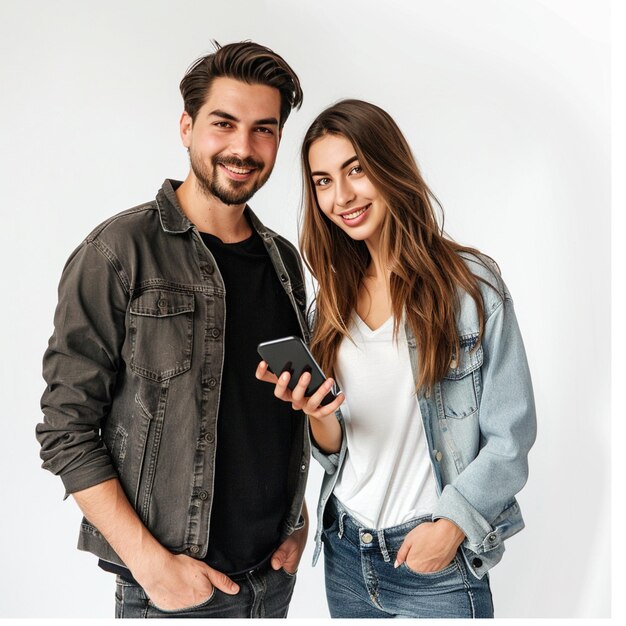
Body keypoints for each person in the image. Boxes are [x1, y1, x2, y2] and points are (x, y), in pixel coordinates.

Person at [36, 41, 311, 619]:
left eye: (263, 129)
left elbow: (281, 410)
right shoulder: (116, 253)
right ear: (186, 127)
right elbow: (66, 430)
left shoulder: (285, 262)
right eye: (223, 123)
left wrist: (298, 516)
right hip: (174, 590)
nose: (243, 147)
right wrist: (152, 568)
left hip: (273, 582)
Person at [256, 99, 537, 618]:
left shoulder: (471, 290)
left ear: (389, 165)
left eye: (355, 170)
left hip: (433, 560)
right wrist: (319, 417)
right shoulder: (331, 303)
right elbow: (336, 452)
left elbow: (511, 434)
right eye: (322, 181)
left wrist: (452, 526)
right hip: (344, 551)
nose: (341, 197)